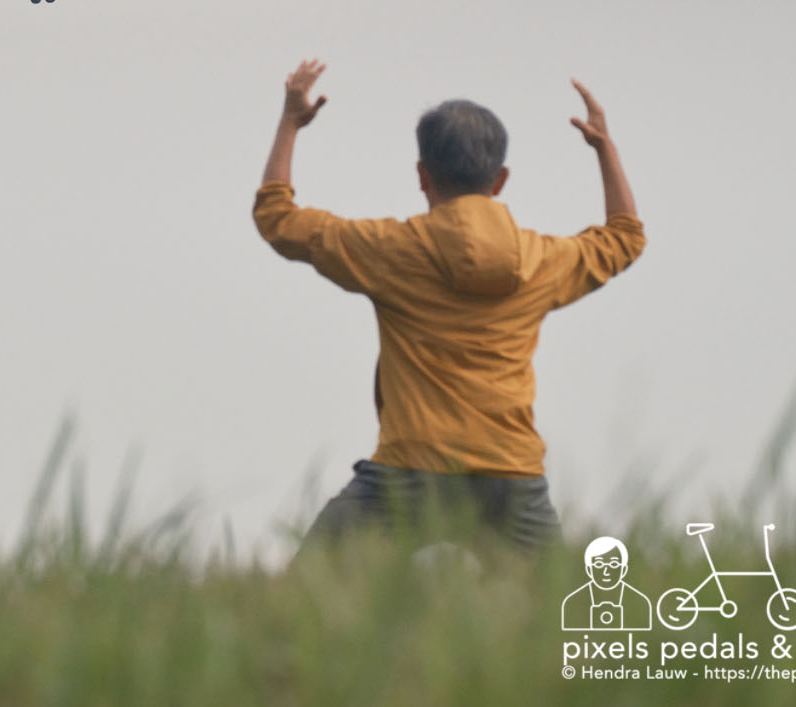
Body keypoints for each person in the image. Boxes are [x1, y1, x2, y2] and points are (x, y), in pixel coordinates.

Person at [253, 60, 645, 558]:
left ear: (423, 176)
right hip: (511, 475)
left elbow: (276, 217)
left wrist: (290, 122)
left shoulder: (389, 251)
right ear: (500, 180)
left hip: (409, 470)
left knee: (302, 599)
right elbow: (624, 238)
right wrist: (605, 147)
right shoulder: (544, 261)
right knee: (555, 615)